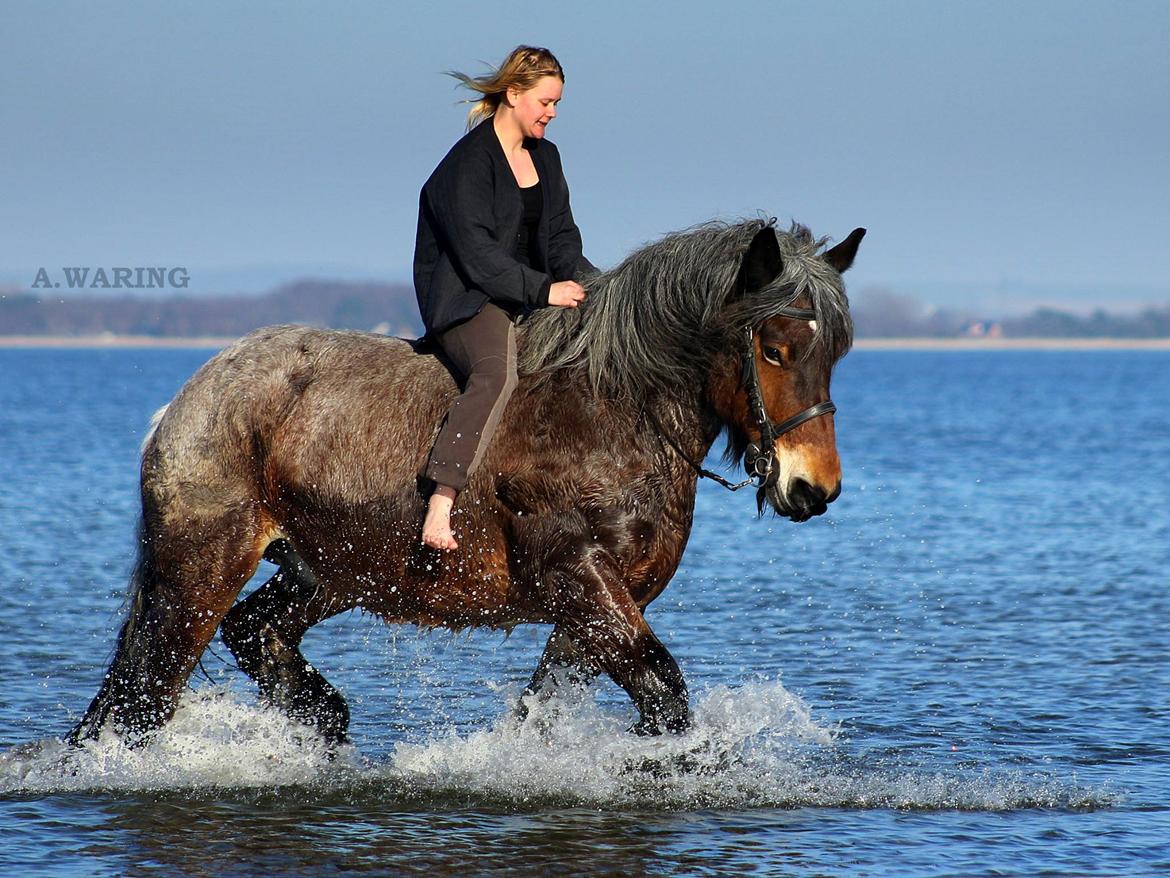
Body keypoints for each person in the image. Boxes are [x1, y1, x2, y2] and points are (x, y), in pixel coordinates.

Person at [414, 46, 594, 551]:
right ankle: (441, 501)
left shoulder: (547, 157)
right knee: (498, 372)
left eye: (557, 104)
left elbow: (561, 239)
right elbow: (478, 257)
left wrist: (599, 291)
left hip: (528, 295)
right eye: (545, 102)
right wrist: (544, 290)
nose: (552, 113)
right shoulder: (465, 165)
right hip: (467, 299)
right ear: (513, 95)